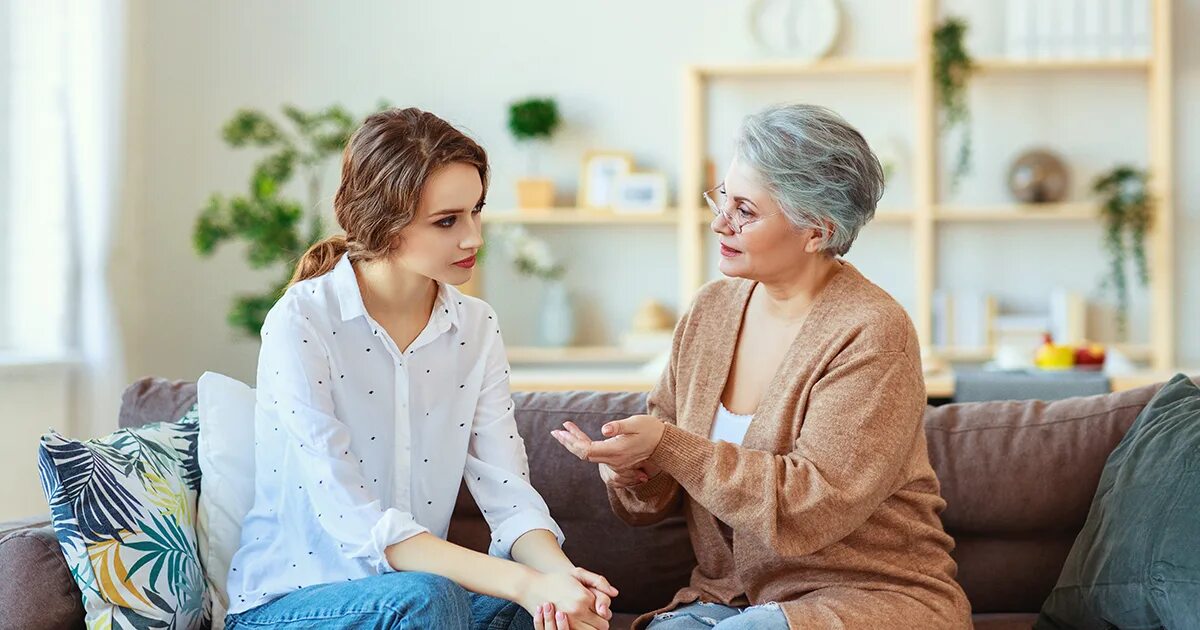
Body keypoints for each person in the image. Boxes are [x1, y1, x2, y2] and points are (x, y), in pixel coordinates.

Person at [553, 104, 972, 629]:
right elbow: (652, 501)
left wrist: (668, 443)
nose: (719, 222)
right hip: (725, 600)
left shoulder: (872, 331)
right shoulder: (709, 312)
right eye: (723, 197)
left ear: (817, 231)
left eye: (745, 211)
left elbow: (810, 504)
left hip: (864, 597)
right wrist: (630, 468)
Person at [225, 108, 615, 630]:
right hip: (290, 604)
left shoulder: (476, 327)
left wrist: (562, 584)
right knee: (431, 599)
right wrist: (524, 582)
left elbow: (508, 492)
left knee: (534, 615)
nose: (473, 237)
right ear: (382, 222)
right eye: (447, 221)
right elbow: (353, 519)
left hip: (416, 602)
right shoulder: (301, 321)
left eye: (476, 210)